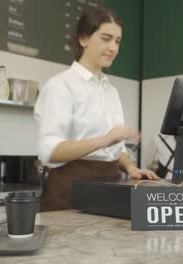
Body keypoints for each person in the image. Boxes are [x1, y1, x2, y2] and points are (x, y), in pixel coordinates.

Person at [34, 6, 159, 212]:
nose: (113, 48)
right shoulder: (60, 86)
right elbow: (50, 151)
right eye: (106, 38)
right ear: (83, 39)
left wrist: (131, 168)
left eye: (117, 41)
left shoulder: (111, 92)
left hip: (111, 187)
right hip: (69, 191)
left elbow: (115, 151)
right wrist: (105, 139)